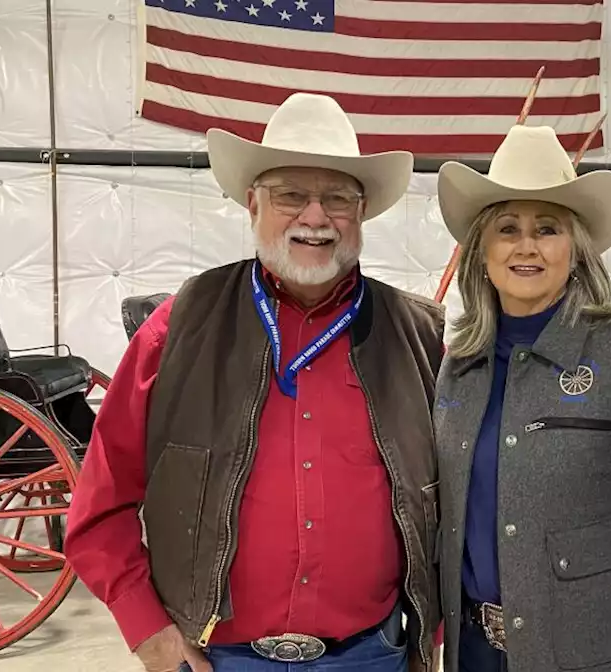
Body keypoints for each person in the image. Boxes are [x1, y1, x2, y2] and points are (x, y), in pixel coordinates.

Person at [63, 93, 446, 672]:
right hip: (216, 659)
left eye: (338, 197)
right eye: (291, 194)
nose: (315, 217)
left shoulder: (418, 336)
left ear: (361, 213)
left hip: (373, 656)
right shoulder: (179, 328)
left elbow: (454, 504)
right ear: (252, 204)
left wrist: (428, 634)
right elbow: (101, 504)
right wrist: (150, 633)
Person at [428, 124, 611, 672]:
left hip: (599, 658)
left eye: (548, 228)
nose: (527, 245)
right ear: (482, 251)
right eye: (507, 228)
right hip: (476, 657)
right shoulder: (457, 369)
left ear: (576, 250)